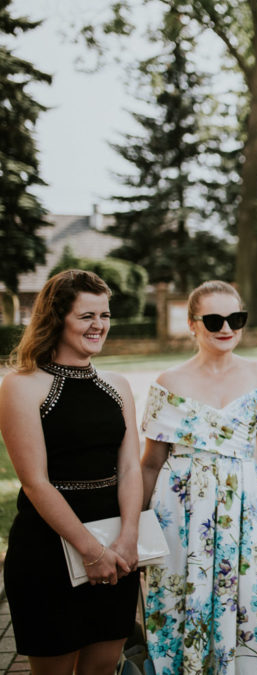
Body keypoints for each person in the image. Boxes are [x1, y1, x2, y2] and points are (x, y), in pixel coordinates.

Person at [139, 280, 257, 674]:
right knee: (177, 603)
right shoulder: (167, 384)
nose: (226, 328)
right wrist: (135, 529)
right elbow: (151, 463)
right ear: (192, 324)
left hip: (243, 511)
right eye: (214, 319)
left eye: (235, 318)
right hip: (180, 512)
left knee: (249, 599)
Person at [0, 269, 142, 673]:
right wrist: (90, 551)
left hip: (117, 551)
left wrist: (128, 537)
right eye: (86, 316)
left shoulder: (118, 384)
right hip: (48, 550)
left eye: (105, 315)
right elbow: (34, 481)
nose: (99, 325)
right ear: (56, 318)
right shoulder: (21, 385)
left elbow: (130, 467)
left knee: (102, 668)